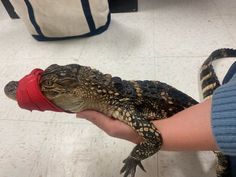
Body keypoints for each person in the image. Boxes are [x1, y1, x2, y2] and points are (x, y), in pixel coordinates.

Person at [76, 62, 236, 175]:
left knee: (224, 161)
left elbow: (153, 140)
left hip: (212, 128)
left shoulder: (121, 105)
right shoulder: (116, 98)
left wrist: (134, 156)